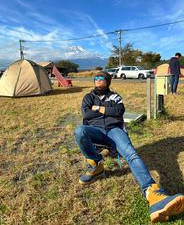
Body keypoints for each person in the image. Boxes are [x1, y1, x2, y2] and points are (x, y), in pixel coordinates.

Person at [74, 71, 184, 223]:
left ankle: (153, 194)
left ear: (108, 81)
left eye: (101, 78)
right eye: (96, 78)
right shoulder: (88, 97)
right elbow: (86, 115)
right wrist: (107, 112)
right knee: (79, 130)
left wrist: (98, 109)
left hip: (114, 130)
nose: (98, 80)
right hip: (95, 131)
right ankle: (95, 165)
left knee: (131, 154)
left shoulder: (115, 96)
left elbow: (119, 111)